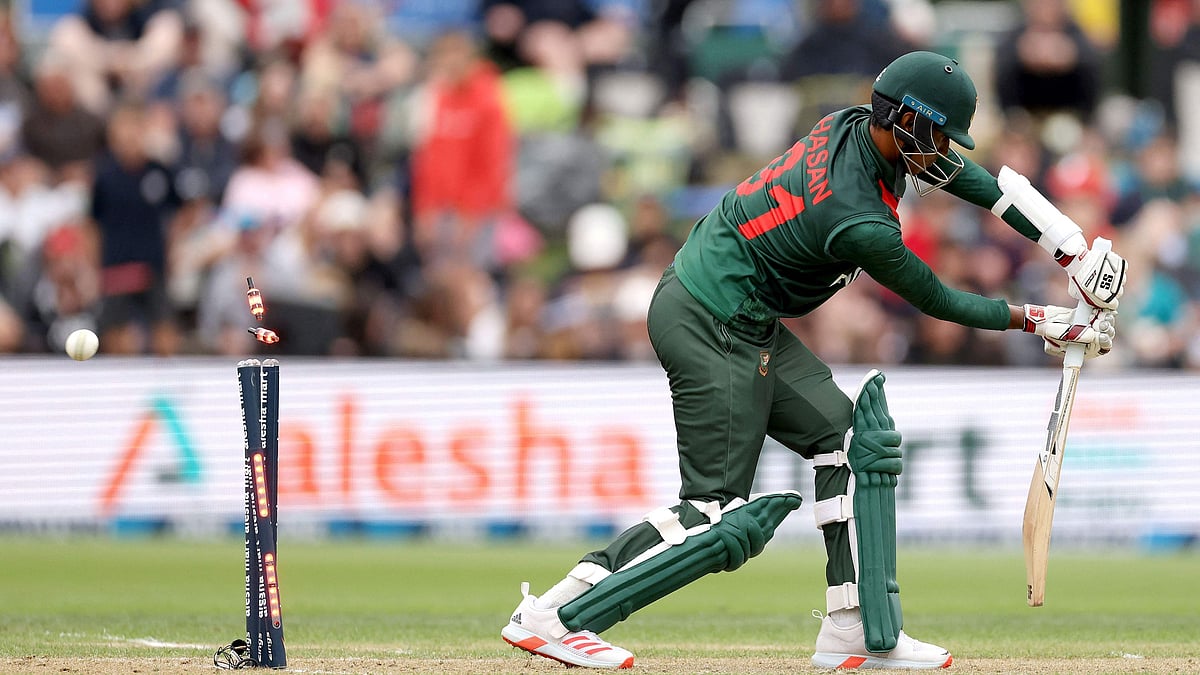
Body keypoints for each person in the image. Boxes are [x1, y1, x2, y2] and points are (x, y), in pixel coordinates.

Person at [499, 51, 1127, 670]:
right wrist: (1039, 319)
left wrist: (1067, 247)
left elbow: (966, 177)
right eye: (936, 135)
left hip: (740, 312)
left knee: (852, 444)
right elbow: (934, 298)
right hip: (709, 317)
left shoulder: (856, 124)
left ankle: (854, 629)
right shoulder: (856, 219)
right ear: (904, 120)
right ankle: (553, 618)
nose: (941, 151)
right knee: (712, 515)